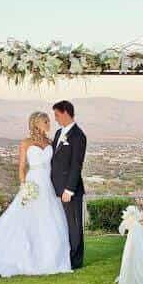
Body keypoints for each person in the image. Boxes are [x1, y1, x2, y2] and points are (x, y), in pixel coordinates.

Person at [0, 111, 72, 277]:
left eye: (48, 121)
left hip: (48, 186)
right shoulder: (26, 143)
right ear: (36, 123)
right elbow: (22, 167)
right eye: (45, 121)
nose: (48, 123)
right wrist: (24, 186)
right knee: (24, 220)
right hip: (33, 183)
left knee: (49, 220)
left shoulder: (50, 142)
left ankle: (49, 259)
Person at [50, 100, 87, 270]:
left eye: (57, 115)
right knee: (62, 225)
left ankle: (75, 261)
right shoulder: (58, 133)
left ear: (65, 113)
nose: (55, 119)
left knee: (74, 225)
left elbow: (76, 165)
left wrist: (69, 189)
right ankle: (64, 256)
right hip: (55, 189)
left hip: (69, 190)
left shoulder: (79, 136)